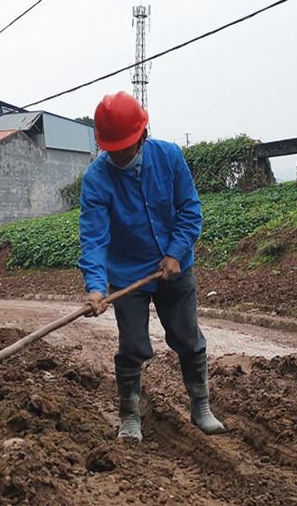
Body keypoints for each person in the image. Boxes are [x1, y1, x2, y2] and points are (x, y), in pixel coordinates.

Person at [77, 91, 225, 441]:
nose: (116, 155)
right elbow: (94, 238)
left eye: (123, 147)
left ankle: (201, 407)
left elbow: (190, 211)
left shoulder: (170, 158)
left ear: (142, 137)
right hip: (128, 274)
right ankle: (129, 417)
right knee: (133, 347)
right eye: (110, 149)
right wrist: (96, 288)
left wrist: (175, 253)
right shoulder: (97, 179)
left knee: (189, 339)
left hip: (175, 267)